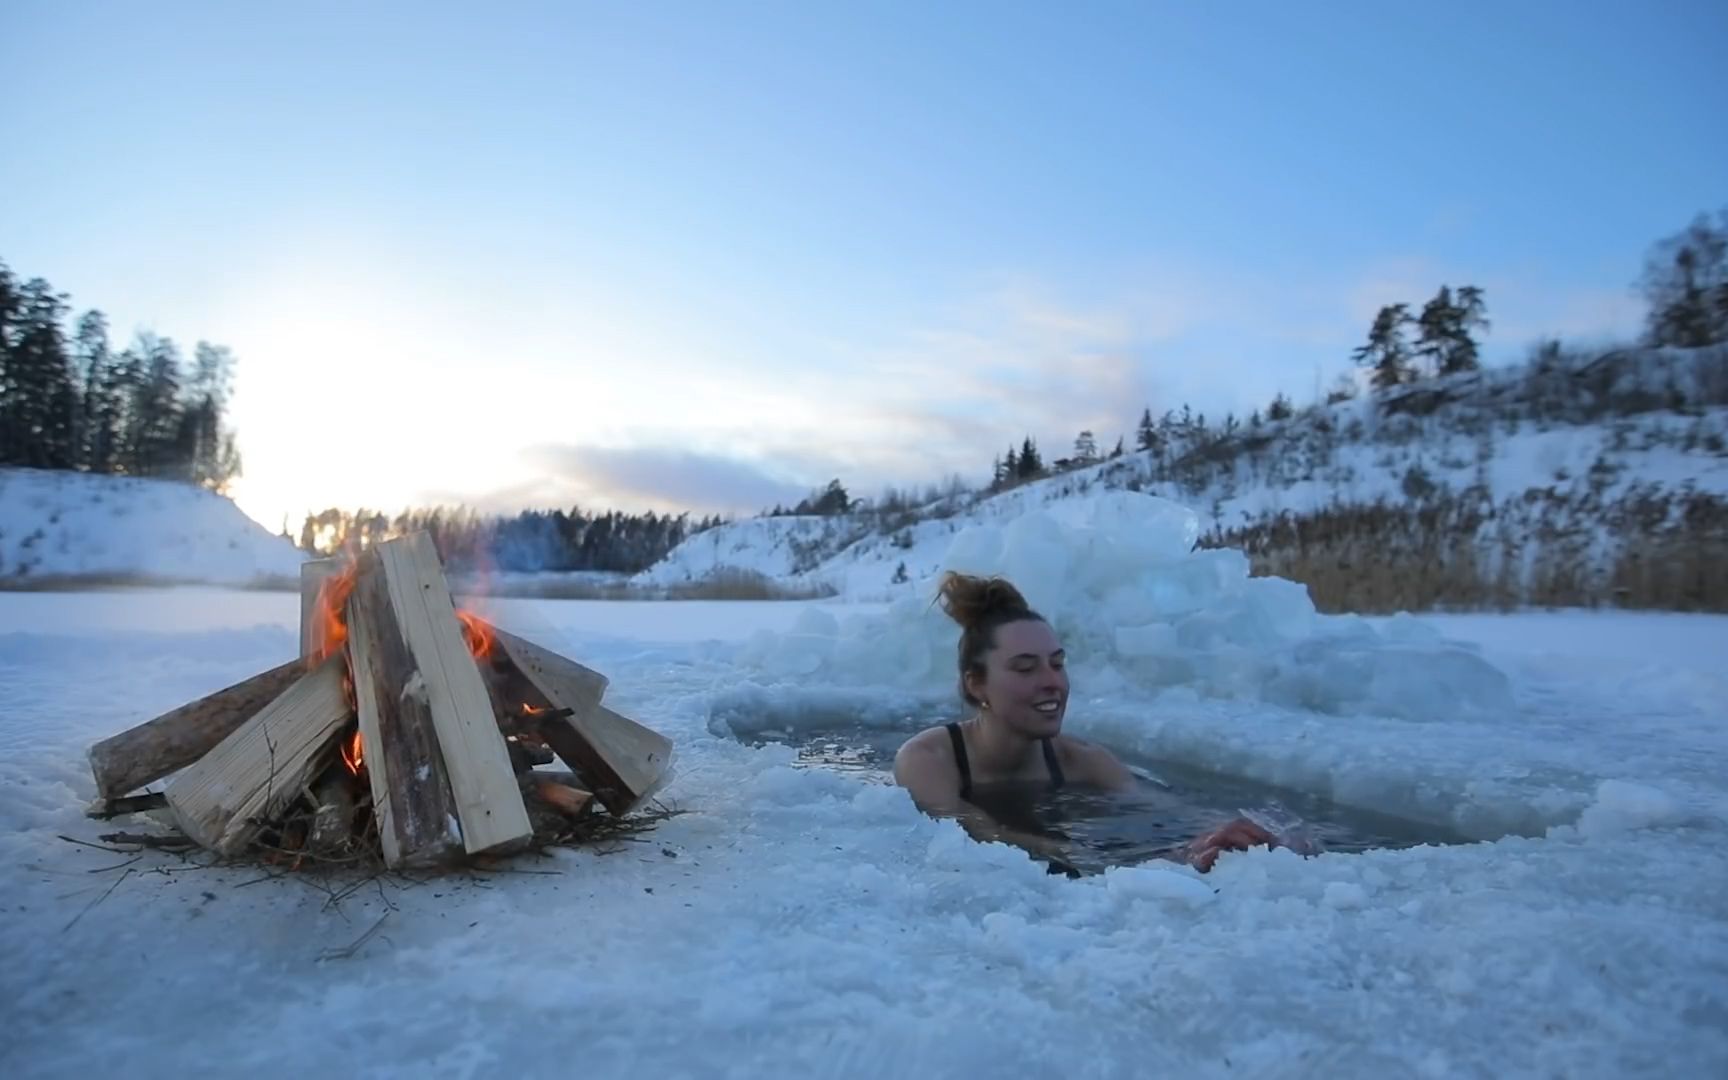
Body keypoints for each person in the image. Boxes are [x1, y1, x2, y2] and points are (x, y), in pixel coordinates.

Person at [893, 571, 1274, 873]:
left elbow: (1165, 811)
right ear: (976, 684)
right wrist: (1094, 856)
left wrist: (1223, 836)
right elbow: (974, 831)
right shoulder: (928, 760)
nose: (1052, 682)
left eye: (1057, 664)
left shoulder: (1085, 761)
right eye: (1026, 668)